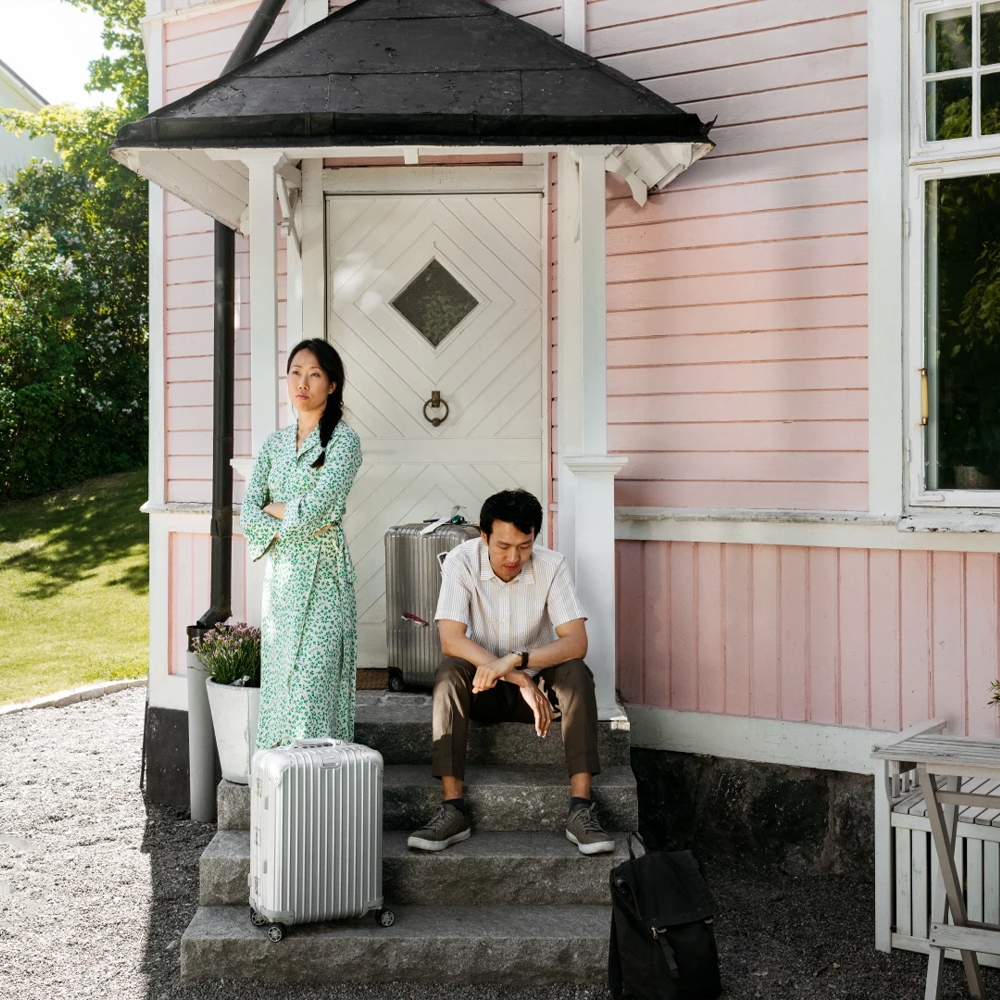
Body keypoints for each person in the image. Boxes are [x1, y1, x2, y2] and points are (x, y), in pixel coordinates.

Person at [407, 488, 615, 855]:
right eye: (503, 546)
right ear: (483, 535)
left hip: (539, 699)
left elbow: (575, 641)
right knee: (449, 672)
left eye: (524, 545)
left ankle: (581, 809)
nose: (514, 557)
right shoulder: (461, 561)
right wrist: (511, 674)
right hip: (482, 692)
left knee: (577, 672)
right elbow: (451, 639)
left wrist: (516, 661)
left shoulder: (552, 565)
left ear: (535, 536)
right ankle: (453, 809)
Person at [240, 338, 362, 749]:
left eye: (314, 374)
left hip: (326, 576)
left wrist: (276, 508)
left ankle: (321, 787)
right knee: (280, 689)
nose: (302, 382)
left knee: (312, 685)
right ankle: (282, 794)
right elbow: (248, 512)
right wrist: (284, 511)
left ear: (331, 384)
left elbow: (320, 508)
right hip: (281, 581)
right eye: (295, 372)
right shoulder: (274, 444)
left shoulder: (343, 442)